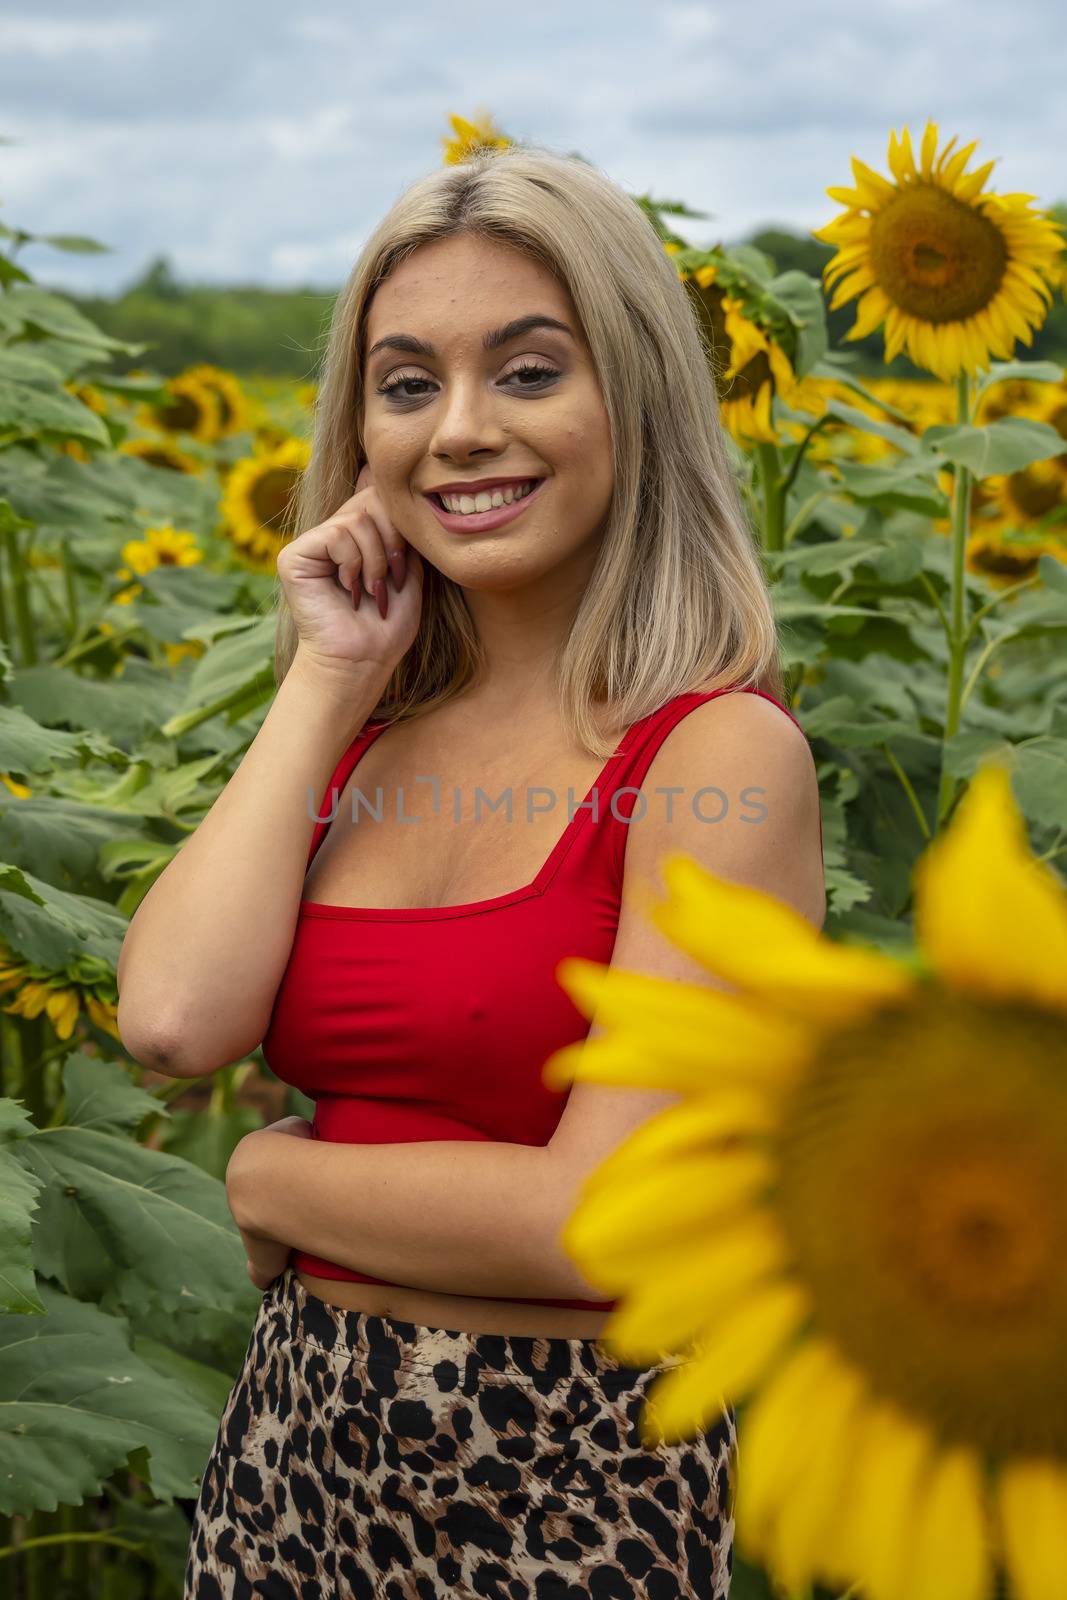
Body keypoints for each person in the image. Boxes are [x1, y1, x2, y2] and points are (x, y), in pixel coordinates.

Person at [118, 143, 824, 1598]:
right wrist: (323, 680)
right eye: (406, 383)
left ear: (633, 395)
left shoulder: (716, 756)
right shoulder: (368, 735)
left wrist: (265, 1176)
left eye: (526, 371)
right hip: (292, 1447)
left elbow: (597, 1221)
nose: (458, 432)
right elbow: (174, 1022)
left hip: (564, 1478)